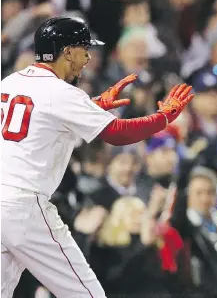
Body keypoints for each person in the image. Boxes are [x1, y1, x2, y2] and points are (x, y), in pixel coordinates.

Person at [1, 16, 193, 298]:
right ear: (66, 52)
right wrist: (164, 118)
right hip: (24, 206)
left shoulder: (9, 82)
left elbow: (40, 118)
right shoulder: (61, 92)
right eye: (83, 49)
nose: (89, 57)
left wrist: (92, 107)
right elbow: (117, 133)